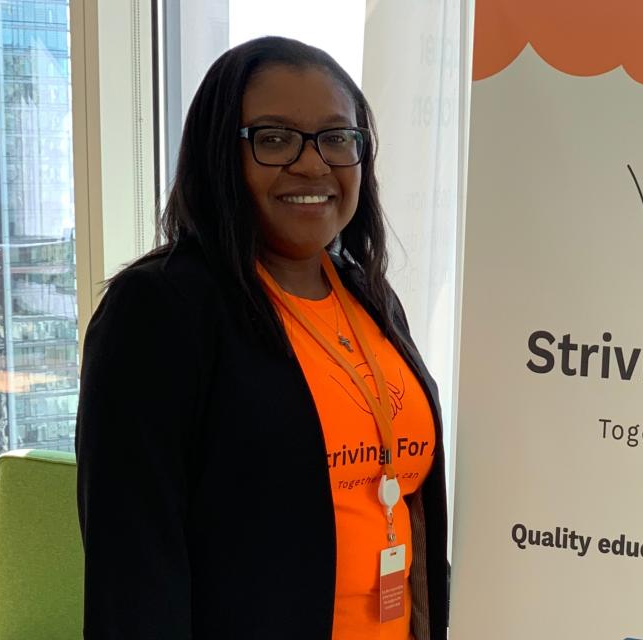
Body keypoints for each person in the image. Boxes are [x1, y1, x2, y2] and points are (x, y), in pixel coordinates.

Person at [75, 36, 448, 640]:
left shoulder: (366, 295)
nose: (312, 164)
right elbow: (133, 567)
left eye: (337, 138)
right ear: (219, 153)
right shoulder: (159, 310)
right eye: (274, 139)